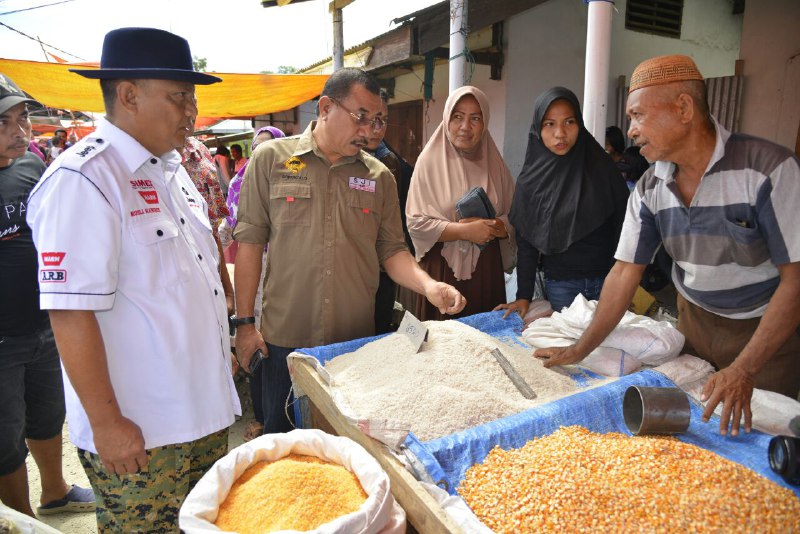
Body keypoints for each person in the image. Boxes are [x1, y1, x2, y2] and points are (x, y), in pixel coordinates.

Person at [26, 28, 241, 531]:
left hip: (201, 413)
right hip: (142, 432)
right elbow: (70, 311)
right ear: (128, 95)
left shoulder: (171, 170)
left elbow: (196, 278)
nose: (191, 111)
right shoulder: (84, 180)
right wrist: (107, 425)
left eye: (191, 97)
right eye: (179, 96)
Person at [534, 55, 800, 436]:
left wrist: (744, 369)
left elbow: (796, 280)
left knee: (757, 451)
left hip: (763, 338)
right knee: (692, 443)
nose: (632, 132)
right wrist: (581, 348)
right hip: (694, 329)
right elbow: (625, 272)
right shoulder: (649, 188)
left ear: (684, 108)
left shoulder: (768, 170)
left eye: (638, 116)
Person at [233, 67, 465, 435]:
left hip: (355, 349)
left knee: (345, 451)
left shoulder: (379, 178)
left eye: (378, 121)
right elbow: (248, 244)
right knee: (283, 450)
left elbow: (393, 252)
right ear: (325, 107)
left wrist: (429, 286)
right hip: (285, 344)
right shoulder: (271, 160)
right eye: (362, 117)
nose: (370, 130)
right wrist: (244, 325)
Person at [0, 73, 95, 518]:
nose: (19, 133)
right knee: (4, 435)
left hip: (43, 324)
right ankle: (23, 521)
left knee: (47, 414)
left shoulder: (32, 167)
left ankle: (54, 492)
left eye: (21, 120)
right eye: (4, 124)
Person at [496, 87, 628, 318]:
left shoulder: (602, 168)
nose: (560, 133)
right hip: (563, 285)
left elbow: (625, 226)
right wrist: (523, 296)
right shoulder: (531, 182)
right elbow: (526, 242)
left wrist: (625, 279)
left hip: (610, 282)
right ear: (538, 128)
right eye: (549, 124)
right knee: (571, 348)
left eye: (569, 122)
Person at [405, 85, 515, 321]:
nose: (466, 127)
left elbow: (515, 217)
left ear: (484, 122)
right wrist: (464, 231)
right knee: (442, 346)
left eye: (475, 118)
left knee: (484, 343)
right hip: (441, 272)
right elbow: (416, 223)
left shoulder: (496, 165)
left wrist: (494, 227)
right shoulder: (428, 163)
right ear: (447, 119)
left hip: (486, 271)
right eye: (458, 117)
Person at [221, 125, 285, 441]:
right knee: (260, 344)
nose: (261, 154)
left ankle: (284, 418)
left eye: (268, 147)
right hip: (254, 277)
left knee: (284, 345)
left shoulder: (292, 178)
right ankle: (262, 417)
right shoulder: (239, 183)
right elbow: (229, 226)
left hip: (288, 274)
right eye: (256, 147)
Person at [365, 92, 414, 333]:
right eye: (369, 119)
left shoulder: (392, 164)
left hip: (384, 267)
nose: (377, 128)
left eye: (382, 120)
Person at [181, 135, 235, 315]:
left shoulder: (199, 151)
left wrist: (227, 290)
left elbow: (212, 228)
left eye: (193, 104)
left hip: (209, 273)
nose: (190, 110)